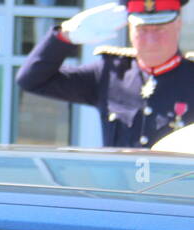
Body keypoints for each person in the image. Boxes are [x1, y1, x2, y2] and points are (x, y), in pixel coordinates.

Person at [17, 0, 194, 148]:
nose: (150, 39)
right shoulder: (110, 73)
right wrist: (64, 36)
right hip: (120, 187)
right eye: (142, 30)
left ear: (178, 25)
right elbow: (31, 80)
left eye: (160, 29)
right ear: (130, 29)